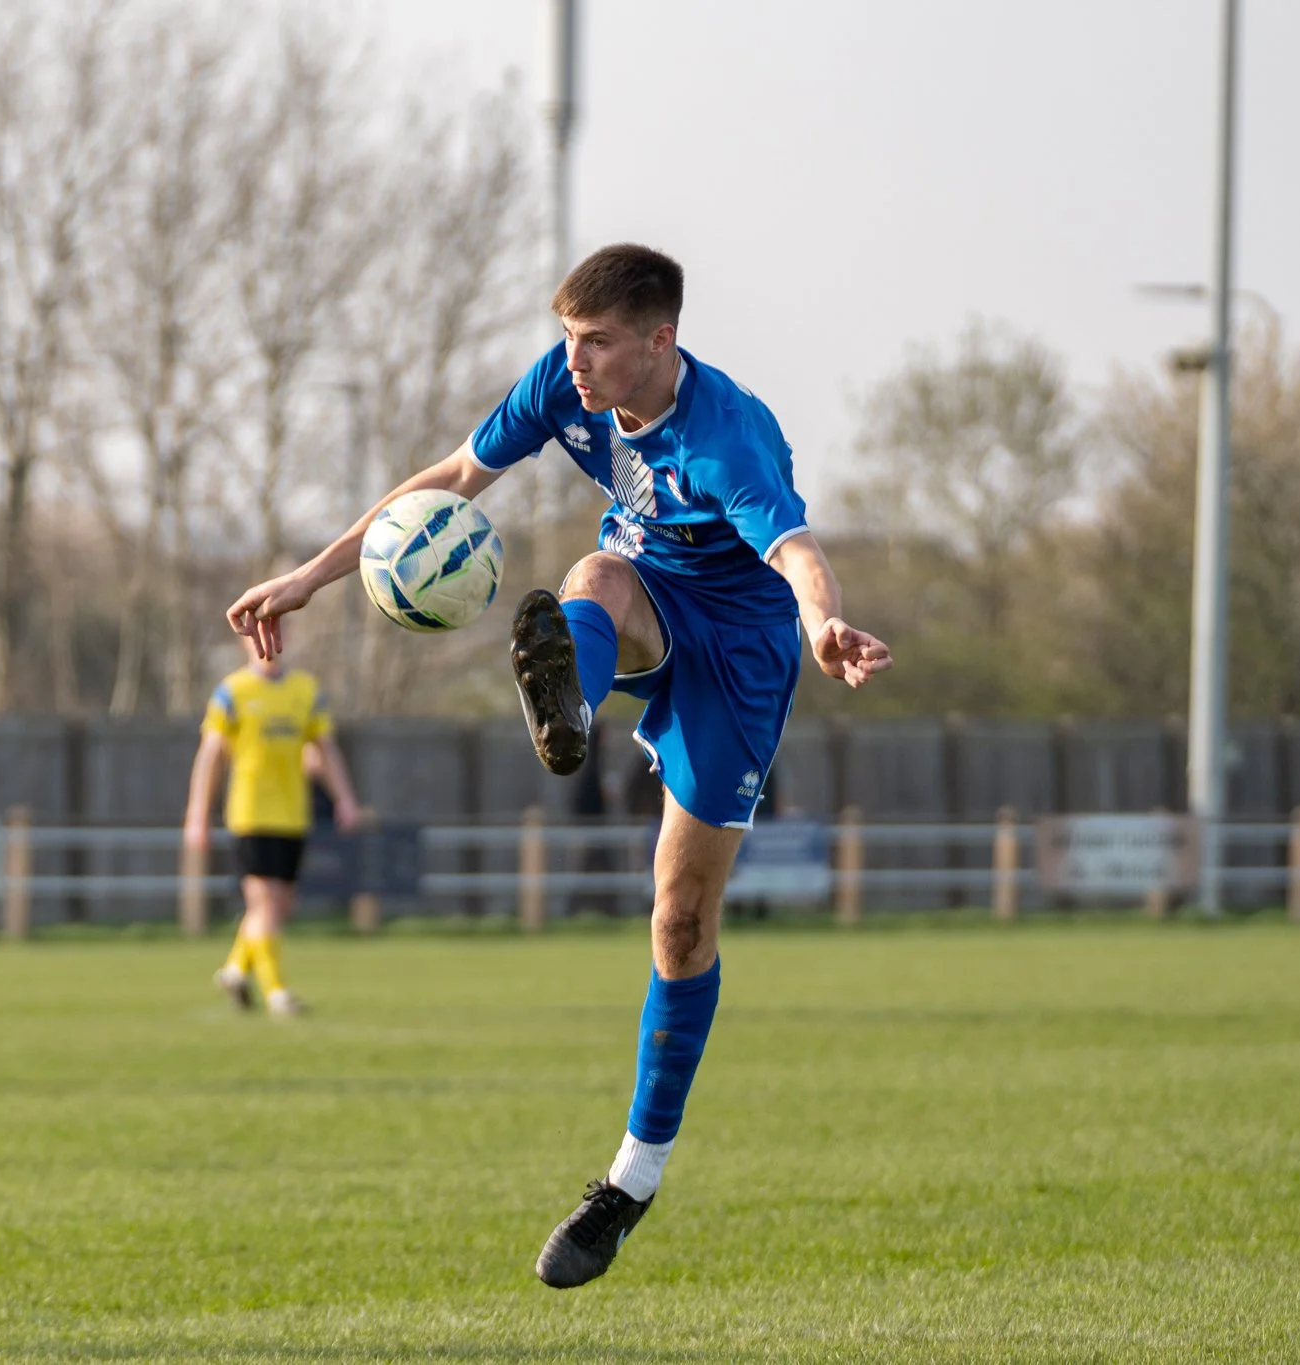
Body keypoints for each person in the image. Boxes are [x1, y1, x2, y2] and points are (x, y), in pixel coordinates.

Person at [224, 244, 891, 1287]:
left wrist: (822, 622)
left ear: (657, 340)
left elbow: (795, 548)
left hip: (744, 655)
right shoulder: (561, 384)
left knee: (677, 918)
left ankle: (633, 1175)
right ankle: (567, 700)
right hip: (639, 599)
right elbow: (448, 481)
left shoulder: (727, 437)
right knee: (593, 571)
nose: (572, 361)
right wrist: (310, 577)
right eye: (567, 338)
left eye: (596, 343)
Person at [182, 630, 361, 1017]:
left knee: (280, 904)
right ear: (245, 643)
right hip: (250, 813)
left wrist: (345, 798)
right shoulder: (232, 692)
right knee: (263, 902)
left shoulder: (305, 691)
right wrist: (197, 813)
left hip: (292, 814)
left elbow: (324, 749)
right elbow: (211, 755)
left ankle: (234, 970)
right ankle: (277, 992)